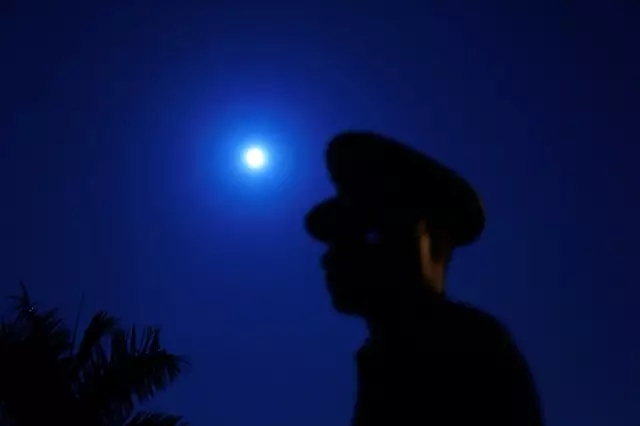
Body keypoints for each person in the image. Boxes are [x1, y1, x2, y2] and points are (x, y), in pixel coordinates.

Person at [304, 132, 544, 426]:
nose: (330, 258)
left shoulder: (464, 349)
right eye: (337, 240)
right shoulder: (386, 357)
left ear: (425, 241)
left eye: (365, 235)